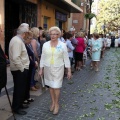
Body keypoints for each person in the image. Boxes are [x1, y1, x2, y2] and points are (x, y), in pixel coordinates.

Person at [39, 26, 71, 115]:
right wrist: (41, 69)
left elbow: (66, 58)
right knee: (51, 86)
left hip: (58, 68)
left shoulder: (62, 45)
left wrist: (68, 70)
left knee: (56, 86)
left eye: (55, 34)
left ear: (58, 35)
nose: (53, 36)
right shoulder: (45, 44)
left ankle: (57, 104)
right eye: (51, 34)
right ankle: (52, 102)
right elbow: (43, 57)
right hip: (48, 68)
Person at [9, 26, 30, 115]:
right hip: (19, 69)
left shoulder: (17, 40)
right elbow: (16, 57)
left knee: (21, 89)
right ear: (24, 33)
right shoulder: (17, 41)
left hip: (20, 68)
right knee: (19, 89)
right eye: (27, 33)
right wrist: (22, 68)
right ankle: (16, 108)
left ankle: (20, 104)